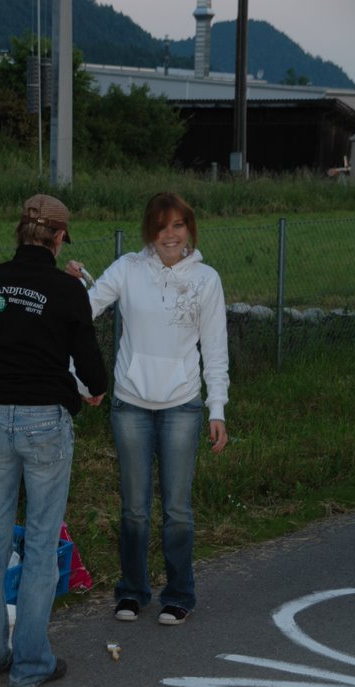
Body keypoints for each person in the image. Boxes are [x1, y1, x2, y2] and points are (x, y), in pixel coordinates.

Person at [0, 194, 107, 687]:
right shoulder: (67, 290)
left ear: (20, 231)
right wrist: (94, 390)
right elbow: (92, 369)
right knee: (42, 542)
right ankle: (30, 665)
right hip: (45, 421)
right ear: (59, 237)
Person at [67, 192, 229, 625]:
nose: (169, 235)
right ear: (149, 231)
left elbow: (215, 350)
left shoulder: (207, 280)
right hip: (130, 406)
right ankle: (132, 591)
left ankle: (179, 594)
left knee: (177, 510)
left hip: (183, 408)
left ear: (189, 228)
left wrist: (217, 408)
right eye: (161, 227)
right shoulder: (128, 269)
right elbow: (83, 310)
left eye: (178, 225)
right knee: (134, 509)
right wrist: (71, 285)